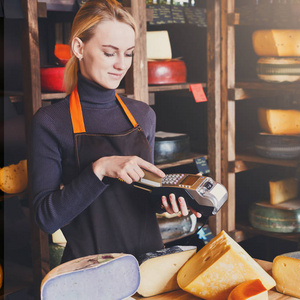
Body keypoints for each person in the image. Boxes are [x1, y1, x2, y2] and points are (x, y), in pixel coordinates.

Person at [30, 0, 200, 263]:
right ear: (78, 47)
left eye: (129, 53)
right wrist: (99, 169)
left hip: (147, 264)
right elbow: (46, 218)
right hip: (89, 270)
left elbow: (141, 193)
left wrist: (168, 199)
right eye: (110, 53)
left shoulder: (143, 115)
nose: (121, 64)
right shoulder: (51, 122)